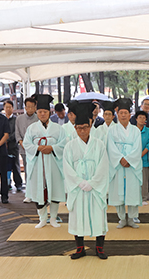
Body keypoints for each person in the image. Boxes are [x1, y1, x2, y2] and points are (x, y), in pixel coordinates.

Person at [60, 100, 112, 261]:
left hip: (95, 187)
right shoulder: (70, 146)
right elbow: (67, 168)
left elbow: (103, 166)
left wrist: (93, 183)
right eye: (79, 128)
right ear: (75, 129)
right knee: (77, 216)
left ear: (90, 127)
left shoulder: (99, 145)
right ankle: (80, 248)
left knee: (98, 215)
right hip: (78, 188)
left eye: (85, 127)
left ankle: (99, 248)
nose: (82, 131)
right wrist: (79, 183)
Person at [24, 94, 66, 228]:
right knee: (38, 191)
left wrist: (52, 147)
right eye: (40, 112)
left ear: (50, 112)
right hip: (37, 164)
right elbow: (26, 144)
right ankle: (42, 218)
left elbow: (64, 143)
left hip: (53, 163)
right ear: (37, 112)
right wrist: (38, 148)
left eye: (45, 112)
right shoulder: (31, 128)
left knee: (54, 189)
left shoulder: (58, 128)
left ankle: (53, 218)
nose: (42, 114)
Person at [107, 98, 144, 229]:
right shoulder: (111, 130)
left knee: (132, 191)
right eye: (121, 112)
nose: (123, 115)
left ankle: (132, 218)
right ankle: (122, 218)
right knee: (118, 191)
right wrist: (120, 159)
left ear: (130, 115)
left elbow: (137, 147)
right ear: (117, 114)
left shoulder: (135, 130)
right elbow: (110, 147)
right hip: (118, 166)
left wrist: (128, 159)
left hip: (131, 166)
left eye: (125, 113)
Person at [14, 96, 38, 200]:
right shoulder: (19, 118)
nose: (30, 109)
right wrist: (22, 144)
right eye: (28, 107)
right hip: (24, 149)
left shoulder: (38, 118)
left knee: (37, 170)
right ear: (25, 107)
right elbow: (17, 133)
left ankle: (38, 193)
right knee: (28, 170)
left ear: (35, 107)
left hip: (37, 149)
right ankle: (29, 194)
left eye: (32, 107)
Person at [2, 100, 23, 194]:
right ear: (4, 108)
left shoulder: (16, 119)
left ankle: (18, 184)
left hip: (13, 145)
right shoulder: (1, 119)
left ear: (12, 108)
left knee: (15, 165)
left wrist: (7, 138)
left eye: (10, 107)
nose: (8, 109)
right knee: (5, 166)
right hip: (3, 146)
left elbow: (16, 132)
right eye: (6, 107)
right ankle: (7, 184)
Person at [137, 111, 149, 200]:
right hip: (133, 160)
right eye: (140, 117)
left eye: (144, 118)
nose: (142, 119)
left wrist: (141, 155)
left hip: (144, 160)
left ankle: (144, 198)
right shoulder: (132, 130)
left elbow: (148, 145)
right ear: (136, 119)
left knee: (144, 180)